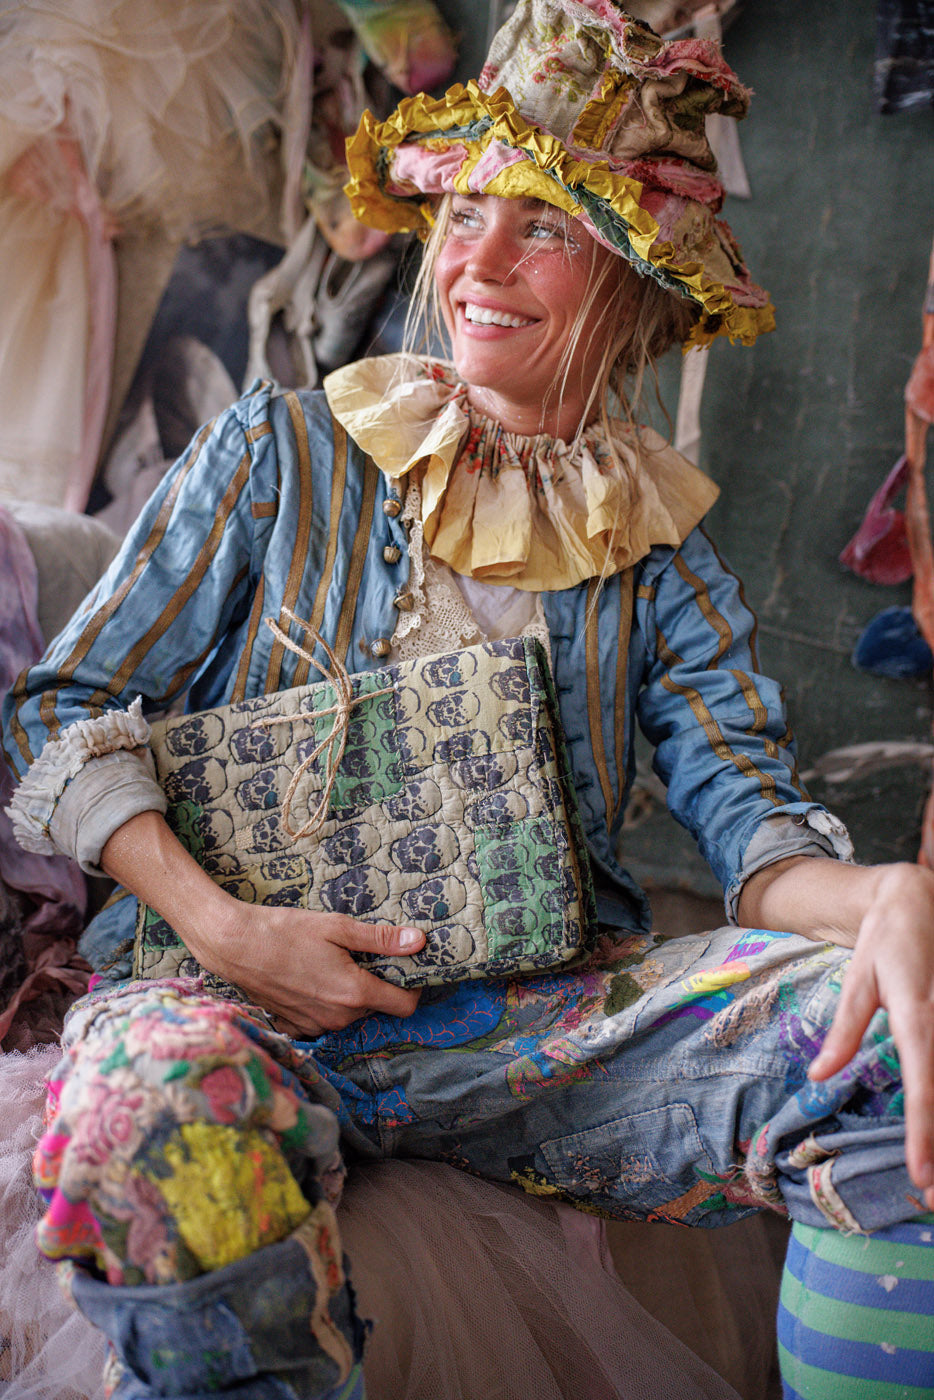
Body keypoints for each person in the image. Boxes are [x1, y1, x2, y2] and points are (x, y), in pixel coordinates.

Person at [4, 1, 934, 1396]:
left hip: (535, 1030)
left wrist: (885, 902)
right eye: (467, 210)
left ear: (627, 273)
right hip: (223, 997)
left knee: (894, 1054)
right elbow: (59, 708)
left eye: (545, 225)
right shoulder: (280, 451)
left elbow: (753, 832)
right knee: (158, 1114)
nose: (476, 260)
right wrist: (223, 926)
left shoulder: (660, 558)